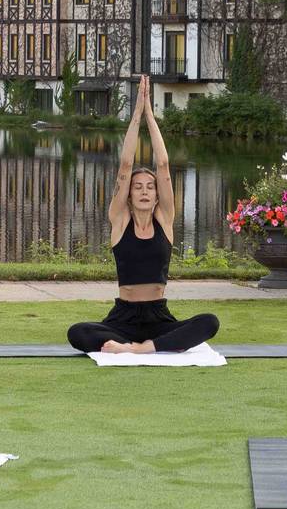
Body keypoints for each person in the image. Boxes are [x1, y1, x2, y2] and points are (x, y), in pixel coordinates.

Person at [67, 75, 219, 354]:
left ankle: (138, 349)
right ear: (129, 195)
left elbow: (162, 164)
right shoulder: (120, 220)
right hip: (122, 318)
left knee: (209, 322)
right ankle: (141, 345)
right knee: (78, 332)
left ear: (158, 194)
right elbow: (125, 164)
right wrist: (136, 112)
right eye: (137, 187)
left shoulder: (165, 220)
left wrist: (150, 113)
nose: (145, 191)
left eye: (150, 187)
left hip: (159, 317)